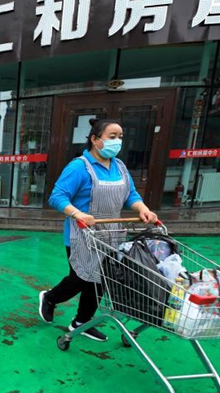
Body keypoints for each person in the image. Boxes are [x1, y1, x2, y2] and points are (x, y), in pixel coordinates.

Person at [39, 118, 158, 342]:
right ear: (95, 140)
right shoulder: (79, 166)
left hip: (111, 233)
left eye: (120, 137)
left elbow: (131, 194)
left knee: (102, 279)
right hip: (82, 233)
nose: (118, 141)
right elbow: (57, 197)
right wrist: (77, 213)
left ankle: (82, 322)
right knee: (81, 278)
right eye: (112, 137)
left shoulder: (119, 166)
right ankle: (50, 297)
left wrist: (143, 209)